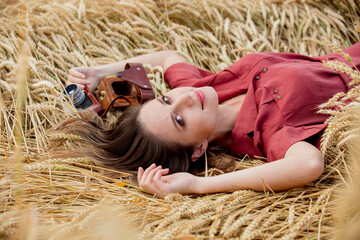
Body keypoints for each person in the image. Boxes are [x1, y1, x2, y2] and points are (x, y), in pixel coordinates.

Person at [64, 43, 360, 198]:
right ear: (198, 149)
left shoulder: (206, 87)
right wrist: (197, 185)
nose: (185, 98)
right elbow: (308, 164)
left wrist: (98, 73)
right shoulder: (267, 129)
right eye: (179, 119)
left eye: (167, 99)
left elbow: (167, 57)